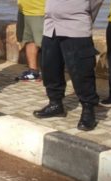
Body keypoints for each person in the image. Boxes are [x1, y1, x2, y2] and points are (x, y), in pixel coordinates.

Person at [33, 0, 104, 131]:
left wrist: (82, 16)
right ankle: (55, 104)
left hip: (76, 25)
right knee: (50, 67)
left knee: (81, 71)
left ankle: (88, 110)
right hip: (51, 25)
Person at [15, 0, 45, 81]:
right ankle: (33, 72)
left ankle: (48, 73)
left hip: (40, 11)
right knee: (28, 40)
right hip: (24, 10)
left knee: (44, 43)